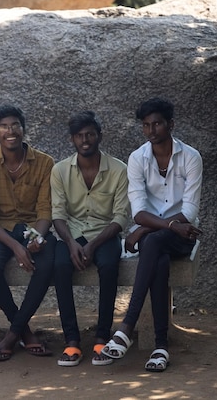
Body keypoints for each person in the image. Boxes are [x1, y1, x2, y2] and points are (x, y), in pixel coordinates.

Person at [101, 97, 203, 372]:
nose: (151, 130)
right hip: (160, 236)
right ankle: (160, 347)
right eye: (146, 125)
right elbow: (138, 212)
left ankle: (126, 328)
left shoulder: (191, 157)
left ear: (170, 124)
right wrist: (161, 226)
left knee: (153, 243)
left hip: (183, 234)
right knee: (156, 255)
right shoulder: (137, 158)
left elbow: (190, 211)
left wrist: (149, 228)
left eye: (157, 123)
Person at [0, 104, 56, 361]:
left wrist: (36, 238)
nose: (11, 131)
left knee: (47, 264)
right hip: (2, 230)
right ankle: (23, 331)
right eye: (4, 127)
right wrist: (16, 247)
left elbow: (45, 211)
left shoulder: (45, 163)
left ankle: (12, 335)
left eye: (16, 125)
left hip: (33, 228)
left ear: (23, 129)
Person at [51, 110, 131, 367]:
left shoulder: (119, 170)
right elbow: (58, 215)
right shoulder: (60, 170)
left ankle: (101, 337)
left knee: (109, 266)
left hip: (105, 234)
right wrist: (72, 244)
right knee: (60, 265)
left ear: (99, 136)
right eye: (79, 136)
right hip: (72, 234)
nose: (85, 140)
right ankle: (72, 341)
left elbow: (120, 217)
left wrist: (94, 244)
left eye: (90, 134)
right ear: (72, 140)